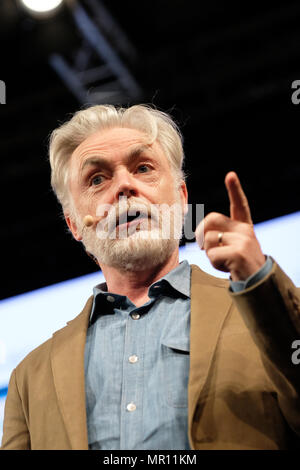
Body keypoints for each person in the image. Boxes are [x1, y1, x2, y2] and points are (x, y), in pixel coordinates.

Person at [1, 104, 300, 450]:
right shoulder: (28, 379)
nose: (125, 186)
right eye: (97, 179)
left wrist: (258, 280)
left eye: (143, 168)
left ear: (182, 198)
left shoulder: (264, 311)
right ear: (73, 225)